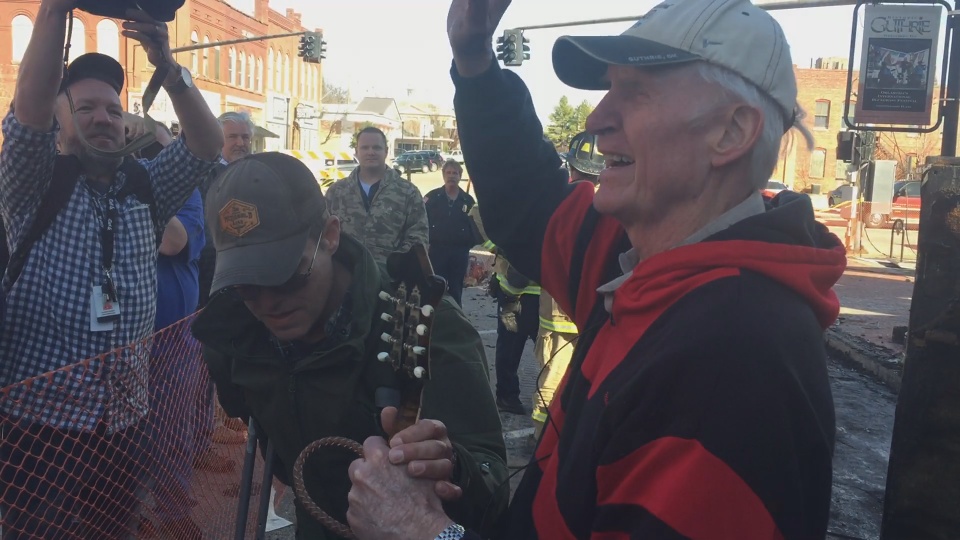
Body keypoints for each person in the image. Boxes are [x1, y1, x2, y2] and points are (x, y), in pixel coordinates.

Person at [345, 1, 846, 539]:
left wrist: (424, 532)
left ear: (731, 131)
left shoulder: (732, 357)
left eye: (635, 93)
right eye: (609, 89)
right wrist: (475, 64)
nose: (597, 118)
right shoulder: (647, 263)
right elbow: (530, 202)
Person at [190, 152, 509, 539]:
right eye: (245, 285)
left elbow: (494, 495)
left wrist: (451, 466)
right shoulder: (234, 339)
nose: (267, 302)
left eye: (287, 276)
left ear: (330, 235)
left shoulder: (429, 327)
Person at [0, 0, 222, 535]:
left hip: (124, 422)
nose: (104, 117)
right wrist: (56, 11)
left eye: (114, 109)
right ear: (60, 122)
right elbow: (26, 116)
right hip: (40, 427)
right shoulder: (32, 184)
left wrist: (169, 70)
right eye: (86, 107)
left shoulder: (145, 187)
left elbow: (206, 144)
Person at [531, 131, 602, 437]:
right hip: (582, 322)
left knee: (553, 382)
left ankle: (543, 437)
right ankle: (543, 437)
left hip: (559, 319)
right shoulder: (610, 208)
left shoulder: (565, 206)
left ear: (572, 169)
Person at [325, 126, 429, 266]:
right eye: (365, 148)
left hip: (390, 281)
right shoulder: (337, 191)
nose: (371, 152)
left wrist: (396, 266)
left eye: (377, 148)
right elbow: (323, 233)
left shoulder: (407, 192)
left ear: (386, 151)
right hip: (344, 277)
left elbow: (419, 237)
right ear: (356, 152)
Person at [423, 159, 480, 306]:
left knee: (456, 289)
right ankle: (434, 319)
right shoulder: (432, 197)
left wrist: (467, 244)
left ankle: (456, 320)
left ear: (460, 176)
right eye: (448, 172)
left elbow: (475, 227)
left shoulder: (467, 201)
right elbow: (421, 222)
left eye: (455, 173)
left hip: (458, 253)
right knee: (434, 288)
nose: (451, 176)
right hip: (436, 251)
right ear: (443, 175)